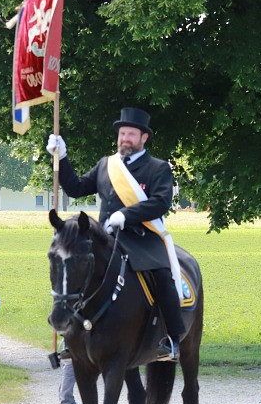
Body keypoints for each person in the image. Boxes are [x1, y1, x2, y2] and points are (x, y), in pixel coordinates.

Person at [46, 106, 185, 362]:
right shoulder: (105, 165)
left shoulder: (158, 168)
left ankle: (171, 340)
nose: (125, 139)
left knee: (163, 278)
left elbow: (160, 202)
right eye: (122, 134)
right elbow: (76, 188)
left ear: (144, 138)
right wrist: (61, 158)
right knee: (77, 273)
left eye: (131, 134)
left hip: (143, 238)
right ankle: (72, 338)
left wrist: (127, 215)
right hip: (107, 240)